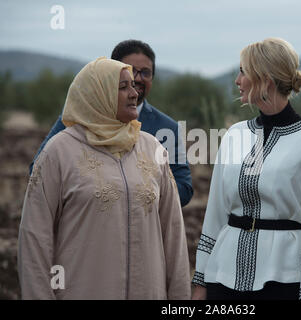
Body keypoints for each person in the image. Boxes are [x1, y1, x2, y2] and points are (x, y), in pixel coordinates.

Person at [18, 57, 191, 299]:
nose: (134, 93)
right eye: (123, 87)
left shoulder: (152, 148)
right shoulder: (59, 152)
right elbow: (35, 238)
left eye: (133, 85)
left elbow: (173, 234)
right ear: (97, 94)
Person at [191, 38, 301, 300]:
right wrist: (201, 280)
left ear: (265, 79)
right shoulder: (234, 135)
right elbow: (215, 213)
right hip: (223, 275)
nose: (237, 80)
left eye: (242, 71)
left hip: (283, 279)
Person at [29, 40, 193, 207]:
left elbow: (184, 189)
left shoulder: (167, 128)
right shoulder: (78, 118)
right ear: (111, 73)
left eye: (145, 72)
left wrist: (138, 195)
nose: (137, 78)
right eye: (130, 70)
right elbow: (38, 172)